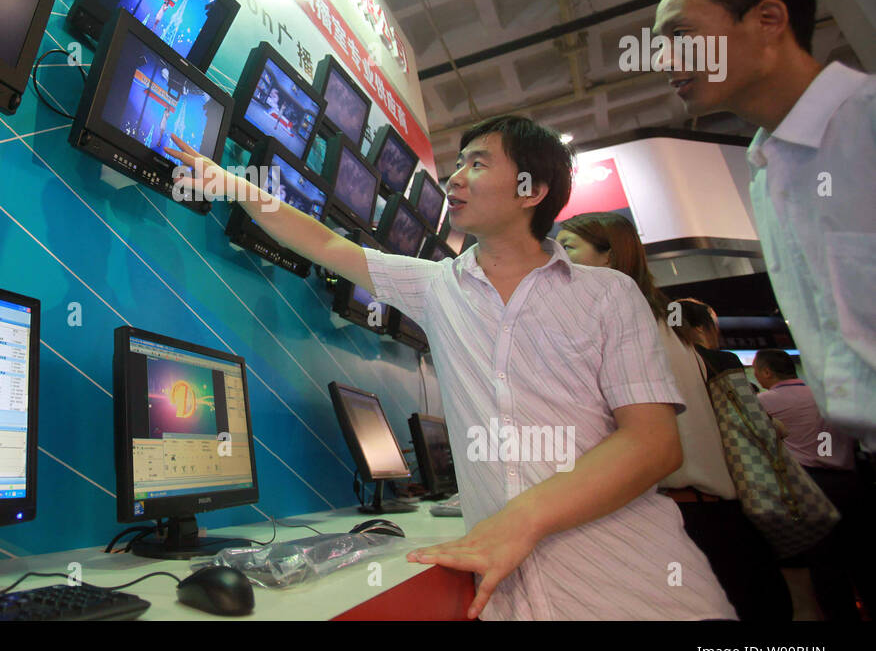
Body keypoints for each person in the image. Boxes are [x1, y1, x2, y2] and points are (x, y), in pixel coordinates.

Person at [166, 115, 735, 620]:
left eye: (477, 164)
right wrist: (232, 184)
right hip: (510, 597)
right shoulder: (437, 287)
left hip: (635, 585)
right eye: (458, 162)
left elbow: (654, 444)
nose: (455, 178)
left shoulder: (608, 294)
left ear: (529, 189)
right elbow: (324, 243)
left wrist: (523, 518)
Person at [654, 0, 875, 447]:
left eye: (681, 34)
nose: (663, 58)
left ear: (768, 20)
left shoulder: (866, 123)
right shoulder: (765, 171)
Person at [558, 212, 790, 620]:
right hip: (717, 518)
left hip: (688, 519)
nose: (557, 258)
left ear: (609, 257)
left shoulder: (628, 327)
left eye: (569, 247)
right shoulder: (666, 324)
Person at [754, 349, 875, 620]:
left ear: (765, 372)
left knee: (825, 566)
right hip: (851, 483)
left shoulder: (765, 402)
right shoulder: (827, 397)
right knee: (864, 560)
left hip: (809, 486)